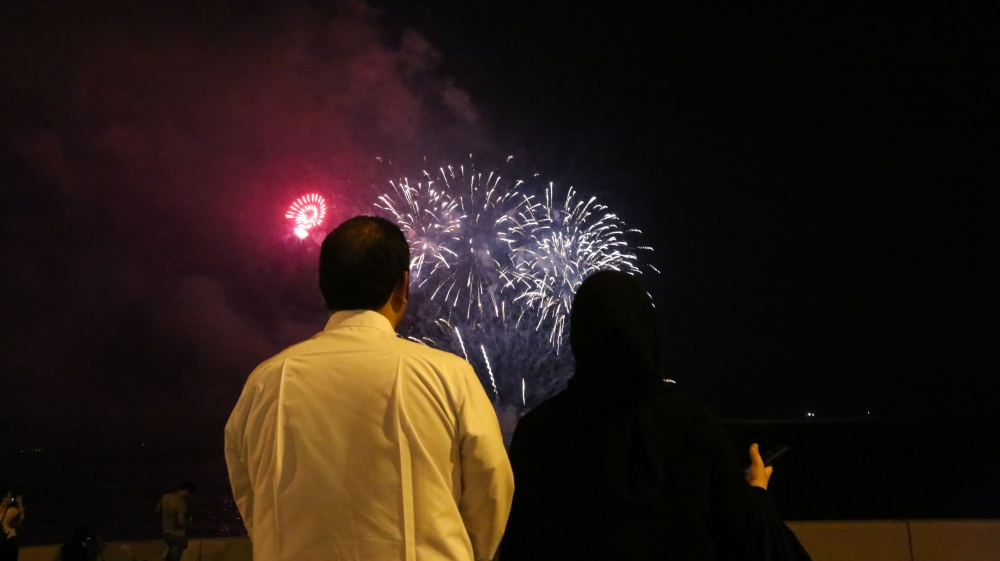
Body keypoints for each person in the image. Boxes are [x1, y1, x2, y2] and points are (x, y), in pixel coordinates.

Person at [225, 216, 514, 561]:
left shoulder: (266, 382)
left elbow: (252, 498)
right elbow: (492, 488)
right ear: (403, 285)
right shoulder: (449, 375)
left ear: (324, 286)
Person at [500, 271, 811, 560]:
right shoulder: (692, 426)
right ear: (649, 331)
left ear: (578, 336)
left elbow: (519, 544)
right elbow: (753, 541)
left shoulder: (539, 433)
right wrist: (756, 490)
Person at [156, 481, 196, 561]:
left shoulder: (165, 497)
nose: (189, 496)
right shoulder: (181, 503)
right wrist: (189, 521)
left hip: (167, 533)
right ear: (186, 491)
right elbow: (180, 522)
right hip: (176, 535)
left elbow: (157, 511)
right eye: (190, 494)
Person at [0, 487, 24, 561]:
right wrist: (20, 502)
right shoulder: (11, 511)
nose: (11, 498)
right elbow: (20, 517)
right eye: (9, 496)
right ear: (4, 498)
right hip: (9, 539)